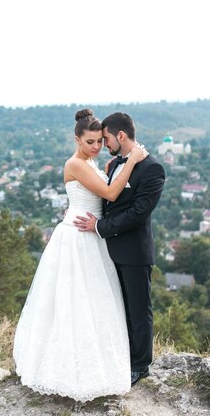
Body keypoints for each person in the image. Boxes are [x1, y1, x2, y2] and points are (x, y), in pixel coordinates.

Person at [12, 109, 148, 404]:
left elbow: (104, 187)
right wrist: (133, 160)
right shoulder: (76, 163)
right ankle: (70, 368)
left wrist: (114, 166)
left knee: (98, 301)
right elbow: (111, 194)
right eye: (90, 142)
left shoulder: (91, 162)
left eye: (100, 141)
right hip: (79, 237)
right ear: (77, 139)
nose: (96, 147)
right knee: (75, 302)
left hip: (94, 235)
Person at [73, 112, 165, 387]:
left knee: (139, 311)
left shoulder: (152, 168)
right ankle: (122, 357)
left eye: (106, 139)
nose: (103, 145)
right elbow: (106, 199)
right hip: (109, 250)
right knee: (118, 309)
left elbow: (138, 213)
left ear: (120, 136)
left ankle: (140, 365)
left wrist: (100, 226)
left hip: (135, 252)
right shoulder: (114, 164)